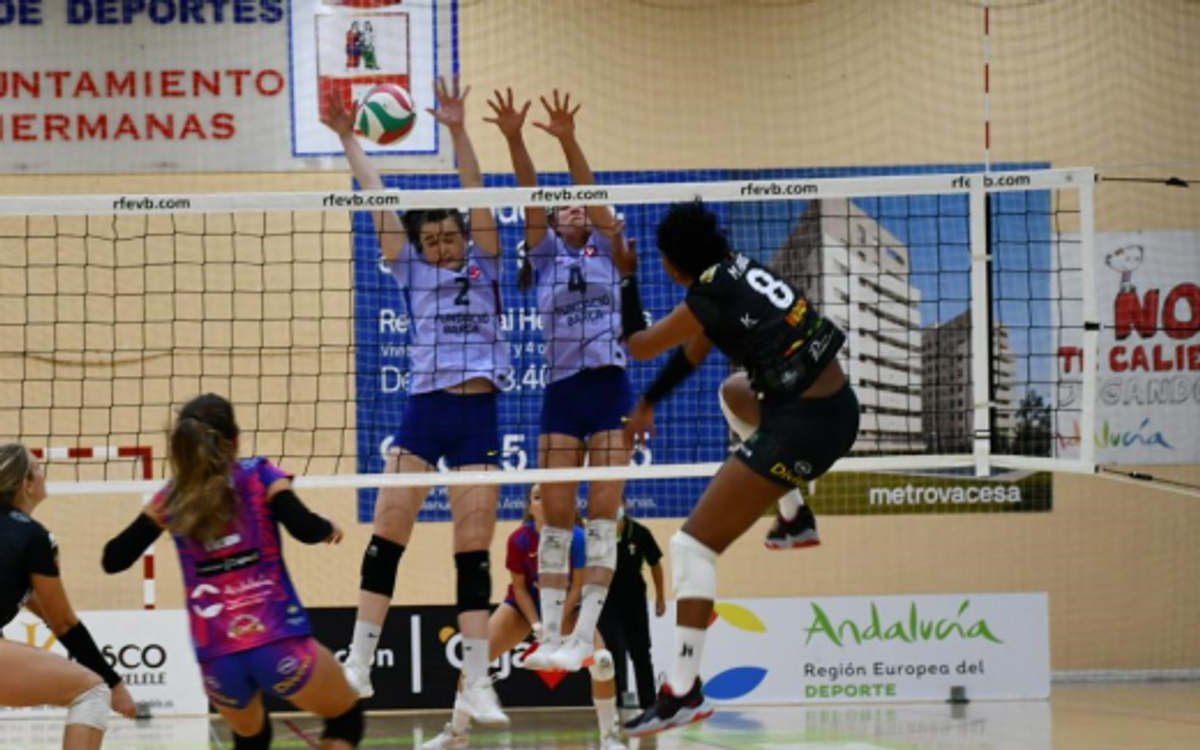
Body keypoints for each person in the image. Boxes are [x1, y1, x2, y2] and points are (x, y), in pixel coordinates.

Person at [617, 203, 860, 736]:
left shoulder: (706, 294)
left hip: (807, 424)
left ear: (674, 264)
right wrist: (650, 403)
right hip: (828, 404)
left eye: (661, 261)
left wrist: (627, 275)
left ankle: (681, 692)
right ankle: (795, 519)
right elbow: (694, 355)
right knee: (734, 392)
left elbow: (638, 345)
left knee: (691, 546)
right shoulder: (735, 271)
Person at [321, 78, 510, 724]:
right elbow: (377, 198)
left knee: (474, 540)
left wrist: (459, 131)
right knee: (389, 527)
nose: (440, 246)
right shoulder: (411, 269)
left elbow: (476, 194)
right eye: (430, 241)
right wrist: (348, 137)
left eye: (447, 237)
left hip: (478, 412)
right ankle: (360, 662)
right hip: (425, 411)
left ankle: (478, 681)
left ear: (463, 236)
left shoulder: (485, 258)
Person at [101, 394, 365, 749]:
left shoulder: (173, 497)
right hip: (279, 643)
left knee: (252, 740)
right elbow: (304, 527)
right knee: (345, 718)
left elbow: (113, 559)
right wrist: (326, 526)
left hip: (217, 660)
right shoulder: (258, 475)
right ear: (235, 440)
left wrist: (157, 513)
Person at [484, 88, 628, 674]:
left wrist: (568, 140)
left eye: (578, 206)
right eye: (561, 206)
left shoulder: (611, 248)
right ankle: (548, 634)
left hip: (611, 385)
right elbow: (530, 197)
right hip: (562, 392)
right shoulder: (543, 257)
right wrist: (516, 138)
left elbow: (592, 200)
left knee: (603, 517)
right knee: (555, 519)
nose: (570, 209)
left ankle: (583, 634)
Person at [423, 485, 626, 750]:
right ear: (530, 507)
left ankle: (609, 737)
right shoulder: (519, 539)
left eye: (549, 495)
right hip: (523, 608)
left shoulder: (577, 538)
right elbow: (519, 589)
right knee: (473, 661)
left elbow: (578, 587)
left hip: (568, 606)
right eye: (537, 498)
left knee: (603, 664)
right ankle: (456, 735)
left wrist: (556, 626)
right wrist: (537, 625)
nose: (543, 502)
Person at [0, 444, 137, 750]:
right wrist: (114, 683)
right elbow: (63, 623)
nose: (42, 471)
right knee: (93, 692)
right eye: (37, 467)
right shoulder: (34, 538)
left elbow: (45, 611)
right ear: (26, 485)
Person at [597, 499, 665, 711]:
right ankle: (612, 703)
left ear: (625, 505)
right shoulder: (598, 535)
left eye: (619, 502)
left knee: (641, 651)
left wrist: (661, 597)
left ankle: (649, 704)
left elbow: (656, 564)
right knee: (608, 653)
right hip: (606, 600)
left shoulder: (640, 532)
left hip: (633, 598)